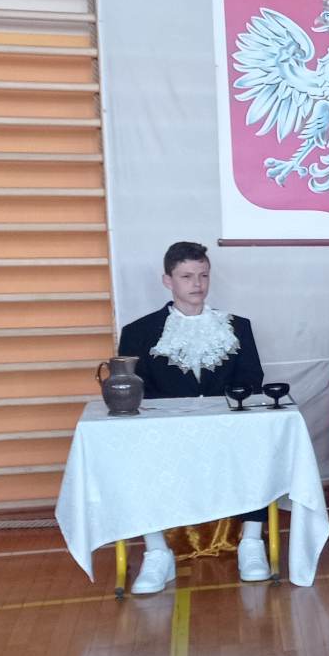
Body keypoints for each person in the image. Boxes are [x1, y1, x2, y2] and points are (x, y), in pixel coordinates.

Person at [115, 240, 270, 592]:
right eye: (186, 276)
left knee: (259, 445)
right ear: (167, 280)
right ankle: (157, 552)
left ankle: (251, 542)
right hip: (166, 435)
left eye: (203, 275)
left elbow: (252, 380)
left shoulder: (238, 327)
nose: (197, 284)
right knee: (134, 453)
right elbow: (136, 390)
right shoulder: (138, 333)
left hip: (226, 431)